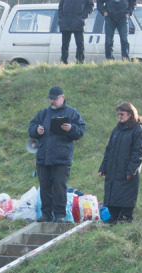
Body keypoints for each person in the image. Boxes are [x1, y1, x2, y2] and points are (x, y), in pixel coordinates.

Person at [28, 86, 86, 223]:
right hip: (43, 157)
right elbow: (31, 128)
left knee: (59, 186)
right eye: (51, 99)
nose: (52, 101)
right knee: (45, 186)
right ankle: (46, 214)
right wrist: (37, 130)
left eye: (55, 99)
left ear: (62, 98)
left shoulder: (72, 113)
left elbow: (81, 131)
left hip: (62, 158)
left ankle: (60, 215)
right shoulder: (43, 113)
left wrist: (71, 128)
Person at [98, 102, 142, 223]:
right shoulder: (117, 130)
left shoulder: (138, 130)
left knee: (126, 196)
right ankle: (114, 217)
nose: (119, 116)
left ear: (130, 114)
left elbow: (139, 153)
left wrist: (131, 171)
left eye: (122, 114)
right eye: (118, 114)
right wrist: (103, 168)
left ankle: (126, 218)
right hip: (113, 170)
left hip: (127, 171)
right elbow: (108, 150)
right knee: (112, 196)